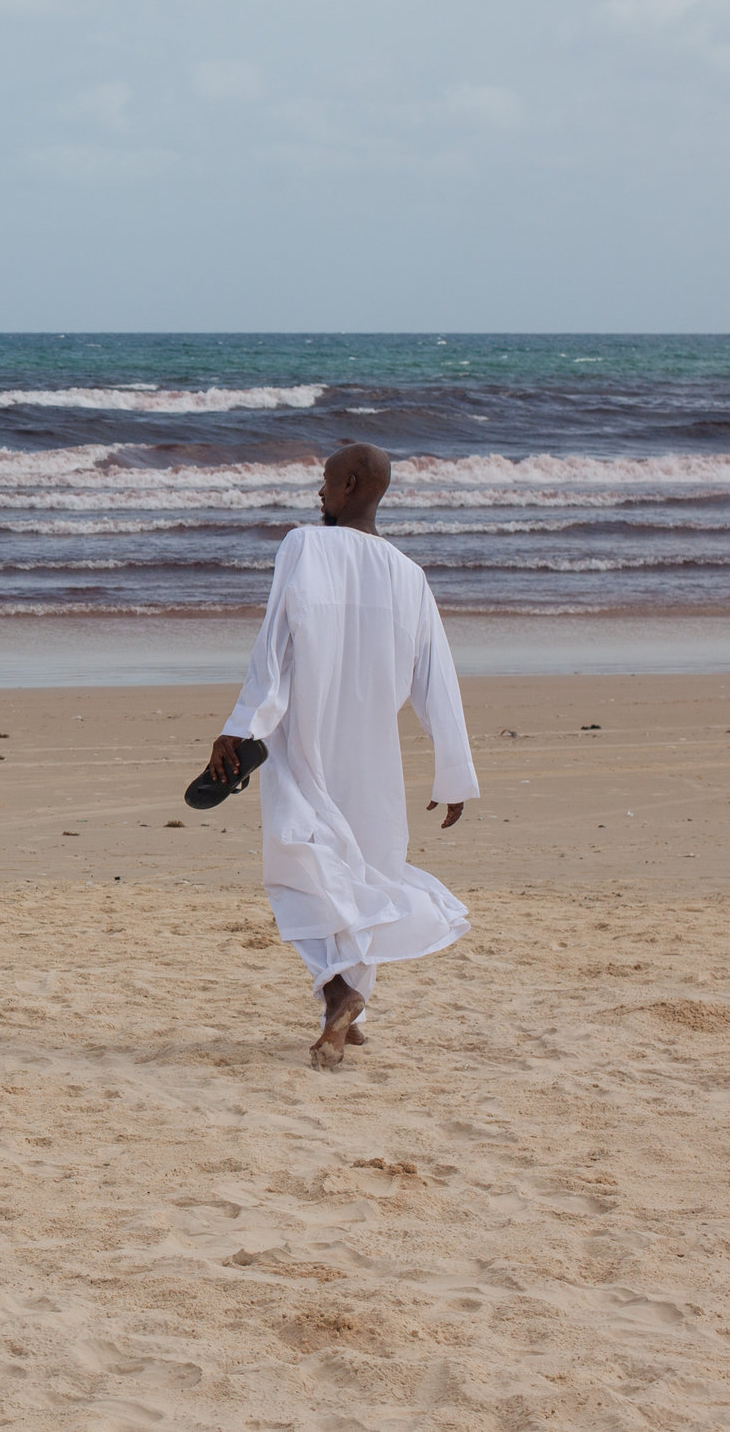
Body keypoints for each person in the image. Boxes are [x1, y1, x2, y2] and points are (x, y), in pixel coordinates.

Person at [203, 441, 478, 1069]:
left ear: (351, 484)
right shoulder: (410, 574)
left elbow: (275, 645)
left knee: (299, 869)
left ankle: (341, 993)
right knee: (365, 872)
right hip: (374, 755)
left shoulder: (305, 543)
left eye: (326, 481)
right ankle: (348, 1013)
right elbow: (437, 675)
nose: (318, 494)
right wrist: (452, 770)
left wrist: (241, 725)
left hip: (304, 741)